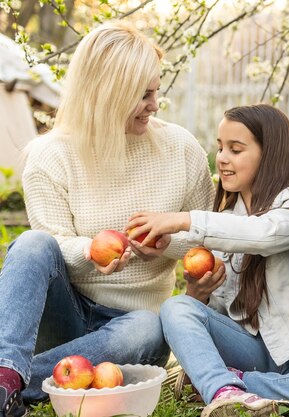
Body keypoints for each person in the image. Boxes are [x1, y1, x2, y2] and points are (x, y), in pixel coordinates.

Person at [0, 21, 215, 416]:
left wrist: (167, 244)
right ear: (109, 94)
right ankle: (5, 379)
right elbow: (51, 244)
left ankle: (14, 384)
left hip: (133, 331)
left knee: (149, 327)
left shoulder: (181, 149)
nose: (155, 104)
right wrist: (91, 250)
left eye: (156, 90)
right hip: (66, 314)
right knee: (31, 243)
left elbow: (208, 238)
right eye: (144, 95)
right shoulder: (50, 156)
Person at [127, 104, 289, 417]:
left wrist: (183, 220)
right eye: (221, 148)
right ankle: (224, 390)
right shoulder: (224, 221)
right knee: (176, 307)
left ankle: (235, 384)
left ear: (269, 153)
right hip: (246, 347)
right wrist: (199, 294)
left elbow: (263, 235)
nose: (222, 158)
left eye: (236, 149)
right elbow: (218, 311)